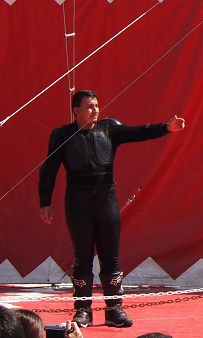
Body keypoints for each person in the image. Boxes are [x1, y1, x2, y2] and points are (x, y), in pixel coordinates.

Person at [38, 90, 187, 329]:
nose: (95, 110)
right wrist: (45, 202)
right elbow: (49, 170)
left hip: (106, 201)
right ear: (76, 110)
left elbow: (139, 132)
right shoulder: (62, 136)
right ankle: (83, 310)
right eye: (89, 106)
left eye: (96, 106)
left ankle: (114, 309)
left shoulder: (109, 130)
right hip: (78, 203)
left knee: (111, 257)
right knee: (82, 258)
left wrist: (166, 128)